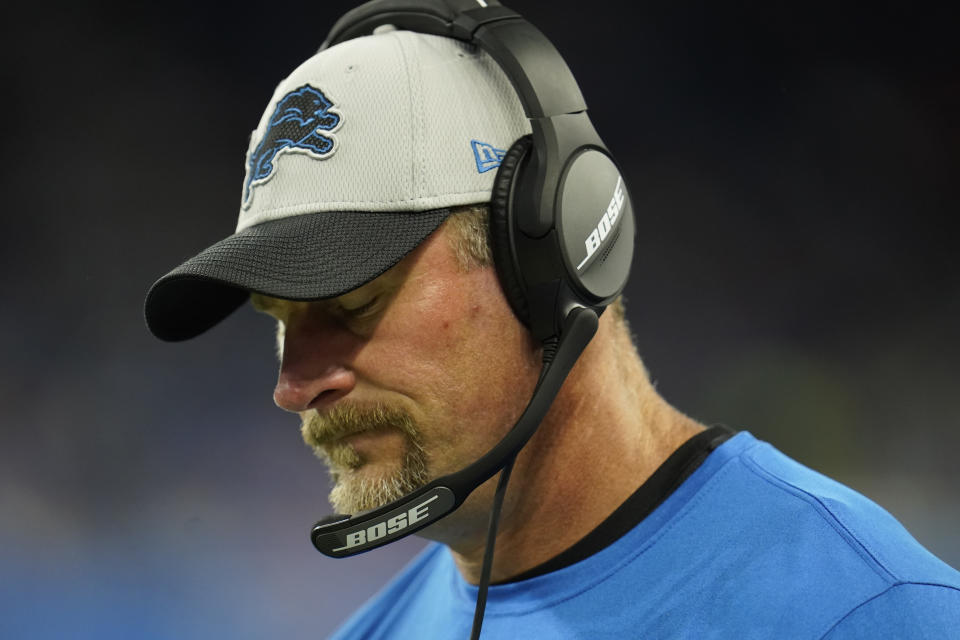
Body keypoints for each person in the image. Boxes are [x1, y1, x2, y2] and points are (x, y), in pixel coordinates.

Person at [145, 3, 960, 638]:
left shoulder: (870, 613)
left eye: (353, 302)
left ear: (551, 257)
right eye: (280, 321)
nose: (293, 387)